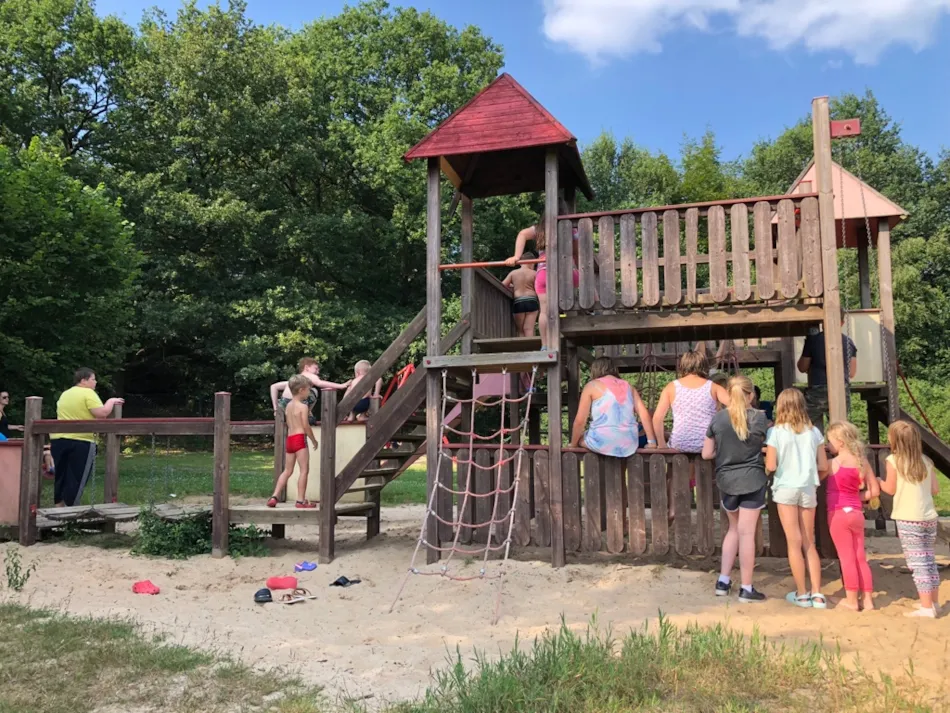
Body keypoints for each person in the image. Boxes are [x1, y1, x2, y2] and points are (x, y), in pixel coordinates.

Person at [703, 375, 769, 602]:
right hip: (752, 480)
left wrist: (723, 452)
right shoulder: (759, 418)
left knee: (733, 530)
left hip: (727, 481)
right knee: (747, 533)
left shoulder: (718, 419)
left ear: (728, 394)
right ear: (751, 395)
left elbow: (706, 453)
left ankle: (723, 581)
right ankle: (746, 588)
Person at [765, 389, 828, 609]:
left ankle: (801, 593)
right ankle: (817, 594)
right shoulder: (814, 432)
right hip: (807, 487)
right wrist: (812, 480)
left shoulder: (776, 432)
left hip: (785, 488)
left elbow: (771, 464)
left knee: (794, 542)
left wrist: (766, 468)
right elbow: (823, 466)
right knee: (809, 541)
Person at [653, 350, 729, 519]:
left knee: (672, 472)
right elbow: (735, 406)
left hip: (680, 442)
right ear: (704, 366)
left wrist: (661, 444)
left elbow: (657, 418)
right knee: (712, 472)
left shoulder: (672, 387)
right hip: (706, 443)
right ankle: (709, 509)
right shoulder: (713, 387)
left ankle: (673, 508)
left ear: (683, 366)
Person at [880, 421, 941, 618]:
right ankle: (934, 603)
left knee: (917, 563)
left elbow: (890, 489)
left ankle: (926, 608)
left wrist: (878, 482)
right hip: (928, 516)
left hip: (908, 517)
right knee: (929, 559)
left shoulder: (893, 460)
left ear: (895, 440)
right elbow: (935, 489)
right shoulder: (926, 461)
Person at [822, 421, 880, 612]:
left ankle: (852, 600)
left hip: (838, 513)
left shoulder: (832, 464)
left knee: (846, 557)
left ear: (840, 442)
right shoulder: (862, 462)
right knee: (860, 557)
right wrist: (857, 497)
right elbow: (874, 491)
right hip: (856, 512)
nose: (828, 445)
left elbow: (815, 478)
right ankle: (868, 600)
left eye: (830, 441)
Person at [50, 368, 124, 507]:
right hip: (81, 440)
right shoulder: (88, 393)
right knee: (77, 477)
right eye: (93, 379)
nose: (95, 382)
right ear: (83, 380)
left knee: (61, 475)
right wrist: (111, 401)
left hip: (59, 439)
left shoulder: (65, 394)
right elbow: (102, 413)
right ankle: (71, 511)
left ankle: (58, 507)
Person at [504, 221, 579, 350]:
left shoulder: (541, 229)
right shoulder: (572, 228)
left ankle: (542, 345)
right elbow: (576, 253)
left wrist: (516, 256)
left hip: (539, 278)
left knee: (540, 315)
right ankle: (593, 310)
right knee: (569, 303)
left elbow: (522, 234)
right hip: (565, 272)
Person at [569, 356, 656, 456]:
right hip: (629, 444)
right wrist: (652, 442)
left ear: (594, 370)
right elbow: (644, 415)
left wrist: (573, 444)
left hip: (602, 441)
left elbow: (580, 420)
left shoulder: (591, 386)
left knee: (580, 439)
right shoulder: (629, 386)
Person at [797, 309, 858, 430]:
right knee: (840, 428)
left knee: (804, 424)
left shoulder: (813, 340)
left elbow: (802, 367)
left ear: (823, 322)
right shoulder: (849, 343)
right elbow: (851, 373)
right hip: (841, 389)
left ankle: (814, 441)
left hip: (818, 390)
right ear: (842, 323)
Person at [267, 375, 319, 509]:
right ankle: (300, 501)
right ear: (301, 390)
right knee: (304, 470)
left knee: (287, 470)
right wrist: (314, 440)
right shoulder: (303, 407)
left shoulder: (288, 406)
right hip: (300, 439)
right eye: (308, 390)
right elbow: (306, 426)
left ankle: (274, 496)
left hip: (289, 439)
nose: (309, 392)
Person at [270, 358, 348, 425]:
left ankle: (303, 414)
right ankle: (307, 414)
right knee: (314, 391)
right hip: (296, 405)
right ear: (307, 368)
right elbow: (319, 383)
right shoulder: (309, 375)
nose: (318, 372)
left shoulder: (294, 380)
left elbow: (273, 387)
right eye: (316, 369)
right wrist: (341, 386)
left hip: (284, 405)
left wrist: (275, 408)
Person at [502, 251, 540, 338]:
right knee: (529, 329)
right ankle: (530, 345)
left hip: (519, 301)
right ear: (532, 262)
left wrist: (513, 286)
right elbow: (538, 287)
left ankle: (522, 345)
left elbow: (503, 285)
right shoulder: (534, 273)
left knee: (520, 330)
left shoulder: (513, 273)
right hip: (532, 300)